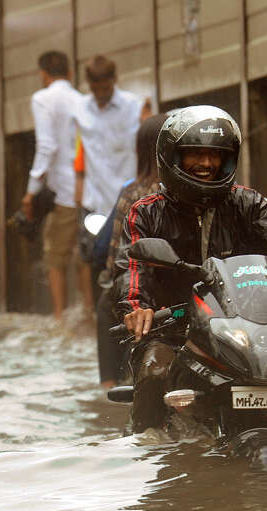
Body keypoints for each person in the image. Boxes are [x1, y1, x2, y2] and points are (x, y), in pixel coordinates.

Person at [113, 106, 267, 432]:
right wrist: (138, 307)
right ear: (171, 156)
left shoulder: (248, 204)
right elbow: (132, 269)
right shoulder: (146, 212)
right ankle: (147, 453)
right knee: (154, 374)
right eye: (196, 153)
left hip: (244, 328)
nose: (208, 163)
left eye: (215, 155)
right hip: (172, 331)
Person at [95, 112, 167, 388]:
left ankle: (108, 384)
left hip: (137, 295)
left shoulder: (131, 193)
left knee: (105, 303)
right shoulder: (191, 191)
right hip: (179, 292)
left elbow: (110, 255)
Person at [76, 55, 152, 312]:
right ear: (88, 84)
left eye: (105, 88)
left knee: (132, 258)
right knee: (94, 257)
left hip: (127, 200)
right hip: (96, 202)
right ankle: (97, 315)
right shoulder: (79, 109)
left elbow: (149, 142)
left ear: (114, 81)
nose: (100, 95)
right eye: (95, 89)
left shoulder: (134, 106)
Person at [21, 51, 86, 321]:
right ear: (70, 73)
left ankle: (59, 318)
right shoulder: (83, 101)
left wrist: (31, 190)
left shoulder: (42, 99)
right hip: (87, 189)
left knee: (54, 256)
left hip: (62, 191)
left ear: (43, 74)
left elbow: (46, 146)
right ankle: (87, 314)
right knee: (83, 254)